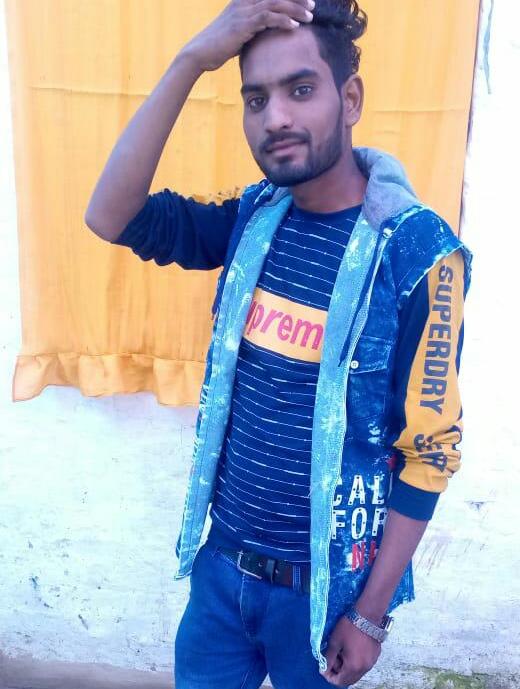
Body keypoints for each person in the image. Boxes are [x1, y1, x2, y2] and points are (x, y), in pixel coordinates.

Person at [85, 1, 472, 687]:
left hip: (324, 598)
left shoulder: (416, 254)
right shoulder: (253, 217)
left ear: (350, 99)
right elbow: (110, 215)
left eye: (301, 89)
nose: (276, 118)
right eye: (256, 99)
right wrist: (191, 61)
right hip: (221, 576)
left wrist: (370, 616)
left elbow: (430, 450)